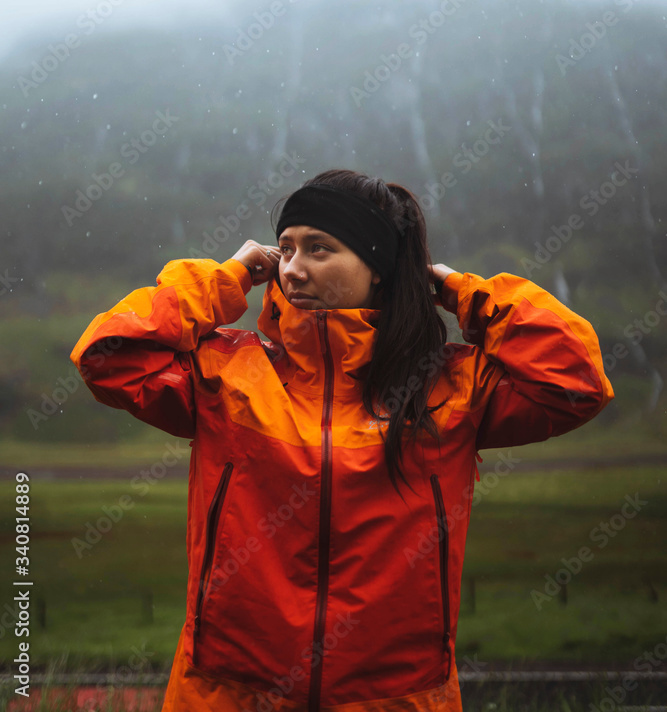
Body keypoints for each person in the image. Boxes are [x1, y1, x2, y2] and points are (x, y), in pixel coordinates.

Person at [70, 169, 614, 712]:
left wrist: (457, 289)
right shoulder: (226, 375)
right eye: (284, 249)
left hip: (398, 698)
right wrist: (227, 277)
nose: (293, 269)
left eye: (319, 249)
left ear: (378, 268)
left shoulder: (452, 389)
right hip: (226, 694)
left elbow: (576, 380)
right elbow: (108, 356)